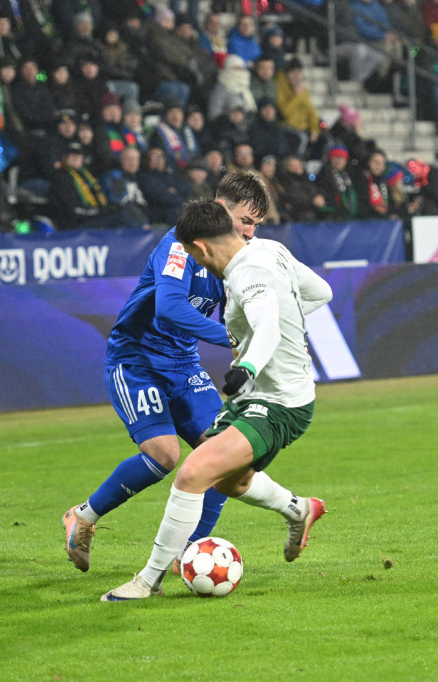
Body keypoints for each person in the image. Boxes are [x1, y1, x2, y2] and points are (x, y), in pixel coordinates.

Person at [100, 197, 332, 601]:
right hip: (264, 395)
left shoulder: (246, 275)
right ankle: (299, 509)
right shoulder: (271, 249)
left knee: (193, 472)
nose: (195, 264)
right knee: (231, 480)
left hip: (278, 401)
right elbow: (321, 292)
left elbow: (267, 329)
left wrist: (248, 366)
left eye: (192, 254)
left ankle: (147, 581)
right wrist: (285, 316)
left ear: (202, 247)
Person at [62, 170, 271, 573]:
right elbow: (170, 307)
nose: (250, 232)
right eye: (246, 221)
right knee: (163, 454)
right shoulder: (179, 244)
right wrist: (230, 336)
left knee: (227, 457)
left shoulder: (243, 255)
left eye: (256, 224)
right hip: (137, 359)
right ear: (222, 209)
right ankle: (83, 516)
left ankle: (186, 553)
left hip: (184, 364)